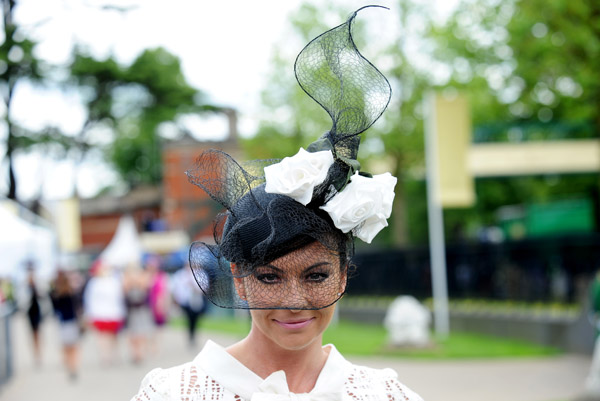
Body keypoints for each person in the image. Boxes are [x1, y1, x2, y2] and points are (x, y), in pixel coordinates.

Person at [132, 6, 423, 400]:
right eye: (269, 276)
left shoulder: (382, 394)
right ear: (238, 277)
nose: (294, 300)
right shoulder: (176, 393)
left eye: (316, 276)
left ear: (342, 276)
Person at [83, 259, 126, 366]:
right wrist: (89, 314)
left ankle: (114, 354)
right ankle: (105, 356)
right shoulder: (94, 283)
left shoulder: (114, 281)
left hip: (114, 313)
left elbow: (119, 298)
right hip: (99, 313)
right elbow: (89, 299)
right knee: (102, 336)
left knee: (113, 336)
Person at [50, 270, 82, 381]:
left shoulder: (56, 295)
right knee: (73, 348)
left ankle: (69, 366)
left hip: (63, 324)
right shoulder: (71, 293)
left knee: (66, 348)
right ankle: (73, 367)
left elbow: (55, 310)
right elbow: (78, 309)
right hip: (71, 322)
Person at [170, 263, 208, 347]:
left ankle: (193, 334)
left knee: (195, 318)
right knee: (188, 318)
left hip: (196, 300)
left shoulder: (200, 274)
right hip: (185, 301)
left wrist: (193, 285)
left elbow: (204, 288)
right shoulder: (180, 275)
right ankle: (190, 334)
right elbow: (175, 288)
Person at [122, 263, 154, 364]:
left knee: (142, 333)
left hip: (141, 310)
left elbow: (145, 287)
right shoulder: (126, 282)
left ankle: (140, 353)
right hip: (131, 311)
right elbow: (124, 290)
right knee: (132, 334)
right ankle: (135, 353)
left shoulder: (143, 280)